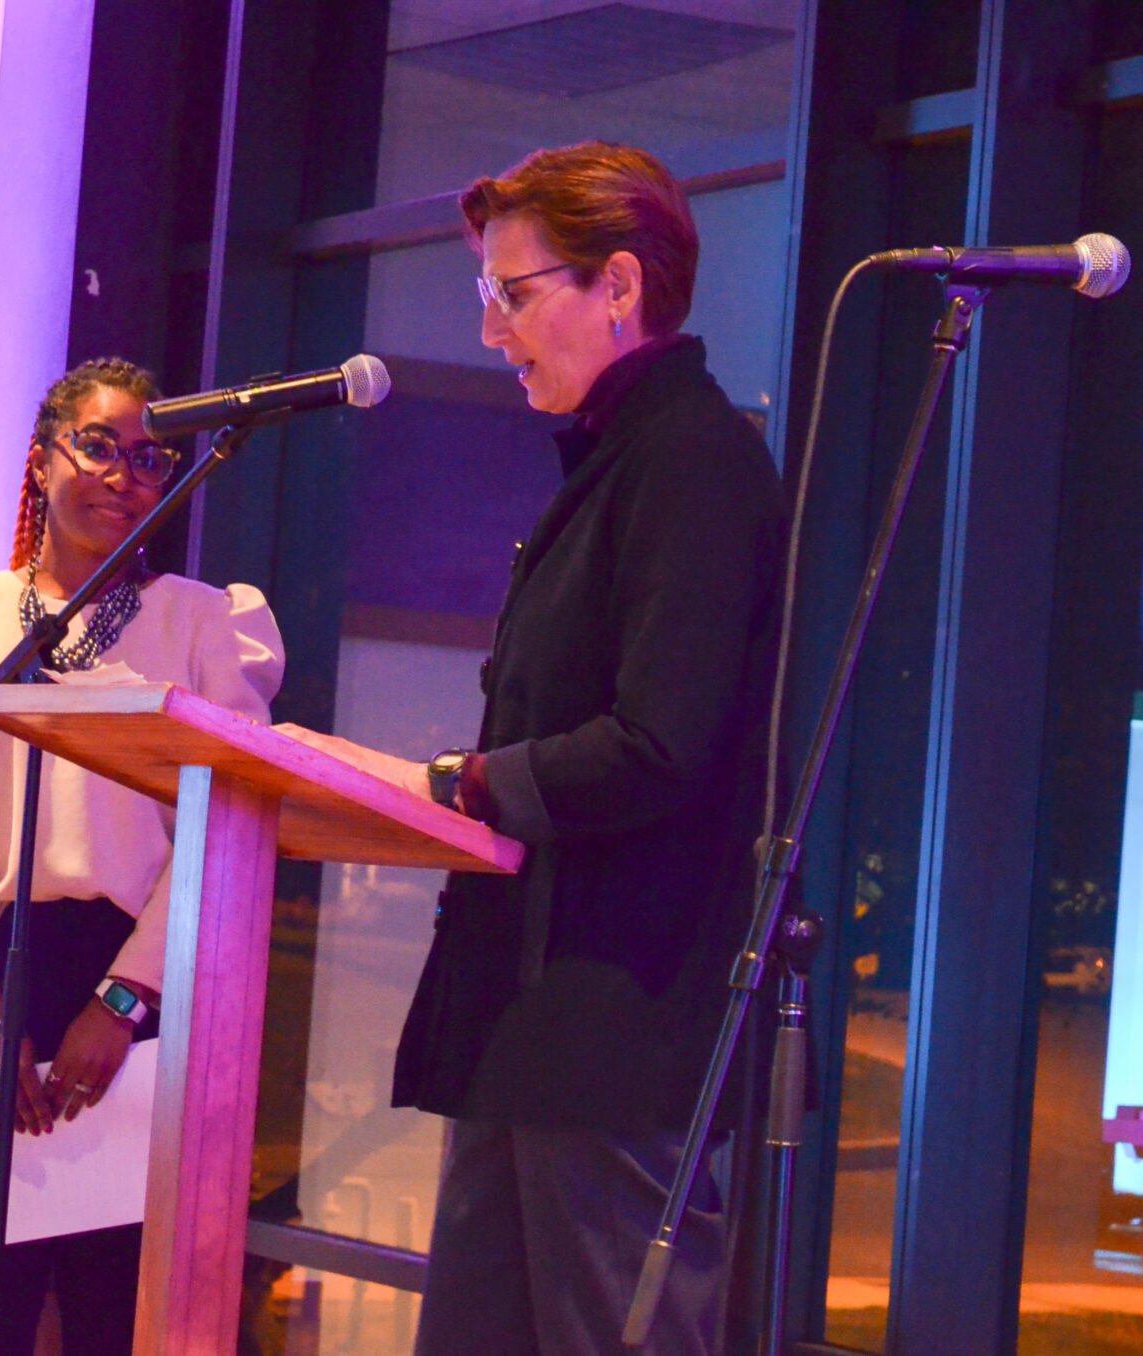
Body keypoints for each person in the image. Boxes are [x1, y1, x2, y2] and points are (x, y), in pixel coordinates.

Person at [282, 143, 786, 1354]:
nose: (493, 331)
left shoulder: (694, 461)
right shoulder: (612, 463)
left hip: (611, 1041)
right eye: (484, 297)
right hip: (526, 1027)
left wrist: (459, 783)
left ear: (616, 286)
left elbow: (656, 745)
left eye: (512, 294)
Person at [0, 357, 284, 1354]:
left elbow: (221, 829)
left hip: (131, 993)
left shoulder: (200, 622)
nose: (123, 474)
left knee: (109, 1308)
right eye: (98, 445)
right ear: (39, 458)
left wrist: (125, 1001)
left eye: (150, 459)